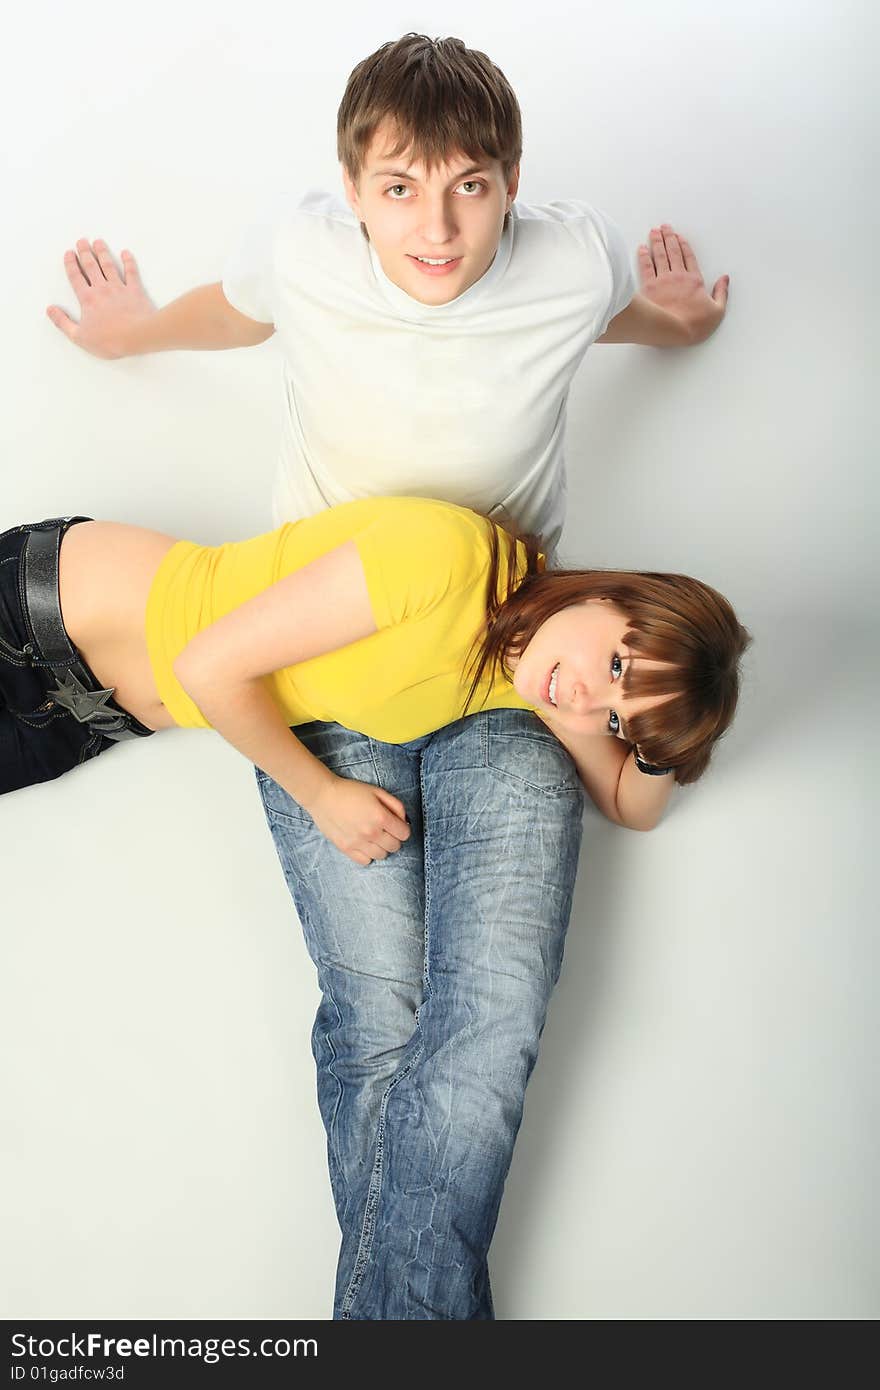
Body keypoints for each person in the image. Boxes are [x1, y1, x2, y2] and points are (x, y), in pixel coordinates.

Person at [44, 35, 733, 1319]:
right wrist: (136, 333)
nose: (438, 224)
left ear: (513, 184)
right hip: (324, 663)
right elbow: (238, 309)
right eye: (403, 188)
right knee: (378, 1018)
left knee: (484, 1028)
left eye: (472, 187)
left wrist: (669, 319)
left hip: (507, 663)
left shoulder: (568, 256)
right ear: (353, 190)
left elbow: (605, 306)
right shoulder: (305, 251)